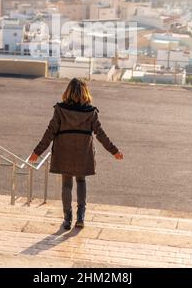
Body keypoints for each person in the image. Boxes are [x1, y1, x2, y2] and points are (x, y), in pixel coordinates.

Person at [29, 78, 123, 230]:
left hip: (64, 152)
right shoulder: (91, 112)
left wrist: (37, 152)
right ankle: (80, 216)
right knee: (81, 182)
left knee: (66, 185)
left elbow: (50, 132)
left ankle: (67, 218)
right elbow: (100, 134)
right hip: (83, 152)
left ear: (68, 91)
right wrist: (114, 151)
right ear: (85, 92)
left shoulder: (60, 110)